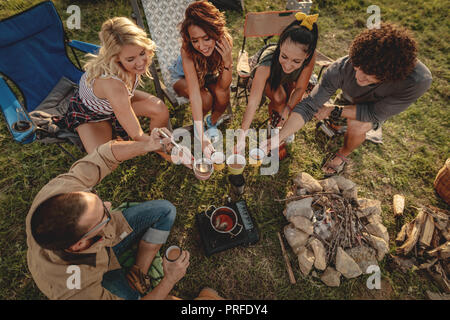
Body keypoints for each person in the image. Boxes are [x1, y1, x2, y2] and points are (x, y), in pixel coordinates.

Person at [26, 129, 218, 300]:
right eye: (104, 215)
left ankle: (138, 271)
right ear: (79, 244)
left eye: (99, 201)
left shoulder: (60, 193)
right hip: (98, 273)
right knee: (132, 296)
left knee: (165, 210)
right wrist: (170, 279)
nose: (110, 205)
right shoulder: (75, 287)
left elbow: (104, 155)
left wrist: (149, 145)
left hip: (103, 242)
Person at [263, 22, 432, 175]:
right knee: (336, 123)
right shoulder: (341, 68)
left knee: (357, 125)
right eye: (357, 67)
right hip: (349, 98)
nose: (358, 76)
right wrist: (281, 135)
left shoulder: (417, 81)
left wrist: (333, 109)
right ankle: (339, 122)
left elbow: (374, 113)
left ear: (391, 76)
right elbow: (309, 106)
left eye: (369, 76)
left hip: (378, 107)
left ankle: (342, 154)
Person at [64, 17, 170, 159]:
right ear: (116, 58)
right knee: (102, 156)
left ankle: (160, 148)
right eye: (130, 59)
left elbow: (123, 101)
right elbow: (137, 134)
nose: (140, 62)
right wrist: (172, 152)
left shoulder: (127, 62)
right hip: (92, 114)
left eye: (142, 53)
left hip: (120, 102)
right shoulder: (112, 83)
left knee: (159, 109)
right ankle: (162, 149)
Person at [238, 12, 319, 151]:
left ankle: (280, 125)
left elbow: (300, 88)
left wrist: (287, 111)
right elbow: (253, 102)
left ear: (307, 55)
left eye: (296, 61)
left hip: (290, 80)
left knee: (294, 102)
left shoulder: (311, 57)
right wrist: (241, 137)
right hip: (270, 78)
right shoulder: (265, 66)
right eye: (284, 56)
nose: (288, 65)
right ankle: (275, 122)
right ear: (280, 45)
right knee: (279, 98)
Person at [169, 1, 233, 156]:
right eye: (195, 40)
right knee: (205, 98)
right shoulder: (187, 49)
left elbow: (224, 86)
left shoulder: (224, 42)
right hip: (183, 78)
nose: (201, 46)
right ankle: (201, 130)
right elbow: (194, 92)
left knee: (223, 95)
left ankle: (211, 122)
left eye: (206, 38)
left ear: (215, 32)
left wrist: (228, 61)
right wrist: (201, 136)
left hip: (208, 75)